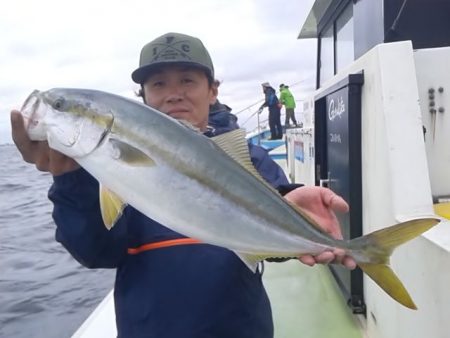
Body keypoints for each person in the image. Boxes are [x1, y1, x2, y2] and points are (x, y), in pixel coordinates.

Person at [11, 32, 355, 338]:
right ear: (142, 95)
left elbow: (265, 229)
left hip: (242, 328)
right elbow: (96, 253)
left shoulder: (245, 155)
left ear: (212, 90)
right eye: (158, 84)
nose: (174, 94)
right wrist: (69, 182)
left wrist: (291, 206)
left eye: (187, 80)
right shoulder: (103, 172)